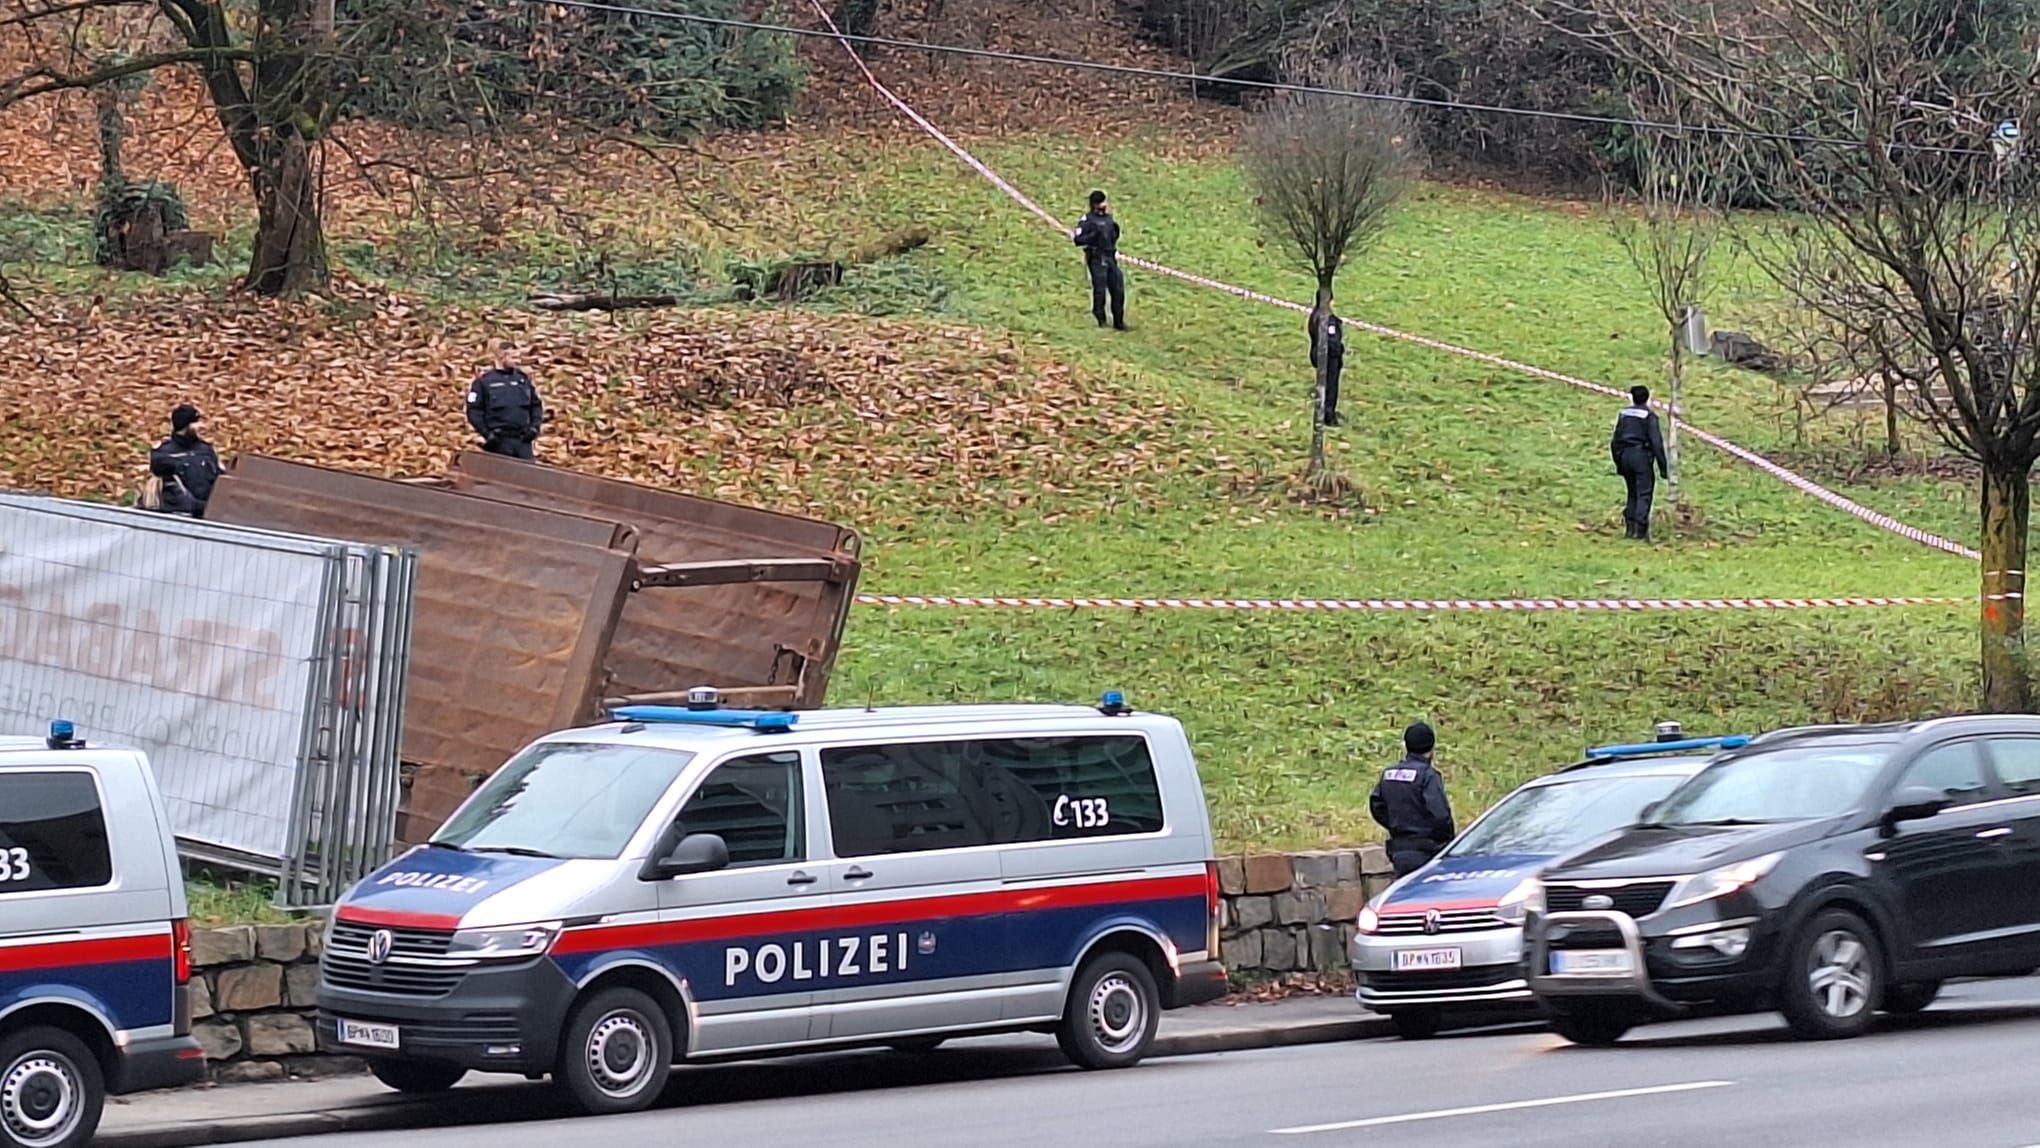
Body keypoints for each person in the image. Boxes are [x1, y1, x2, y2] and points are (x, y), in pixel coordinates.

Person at [1369, 721, 1456, 878]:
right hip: (1426, 851)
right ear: (1432, 748)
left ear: (1406, 745)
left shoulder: (1389, 773)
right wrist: (1447, 840)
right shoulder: (1428, 775)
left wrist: (1395, 825)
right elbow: (1440, 814)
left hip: (1399, 849)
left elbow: (1376, 805)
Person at [1610, 384, 1671, 541]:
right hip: (1641, 457)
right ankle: (1640, 531)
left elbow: (1615, 440)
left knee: (1632, 493)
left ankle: (1630, 530)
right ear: (1648, 398)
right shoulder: (1649, 417)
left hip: (1625, 456)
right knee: (1644, 494)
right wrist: (1663, 467)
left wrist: (1618, 462)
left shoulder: (1624, 415)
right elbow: (1656, 443)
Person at [466, 341, 545, 461]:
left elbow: (536, 406)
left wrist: (534, 428)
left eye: (518, 357)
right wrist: (486, 433)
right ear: (502, 357)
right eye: (513, 357)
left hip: (523, 440)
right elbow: (474, 411)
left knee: (528, 471)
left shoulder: (522, 379)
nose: (517, 361)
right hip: (499, 441)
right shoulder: (484, 382)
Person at [149, 403, 222, 518]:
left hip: (209, 514)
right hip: (178, 515)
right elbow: (167, 490)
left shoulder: (206, 450)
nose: (201, 426)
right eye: (195, 423)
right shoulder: (164, 454)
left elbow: (219, 479)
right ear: (185, 426)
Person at [1071, 189, 1126, 330]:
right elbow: (1078, 239)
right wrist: (1093, 236)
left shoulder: (1109, 219)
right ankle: (1100, 318)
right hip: (1096, 258)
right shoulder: (1087, 220)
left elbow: (1113, 236)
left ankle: (1119, 321)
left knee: (1118, 289)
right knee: (1100, 290)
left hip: (1110, 257)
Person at [1307, 301, 1346, 427]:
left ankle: (1325, 411)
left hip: (1323, 356)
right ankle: (1328, 415)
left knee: (1325, 384)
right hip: (1329, 357)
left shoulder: (1316, 316)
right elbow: (1331, 340)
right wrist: (1339, 349)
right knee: (1330, 385)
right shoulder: (1326, 320)